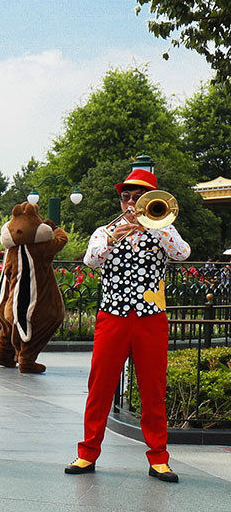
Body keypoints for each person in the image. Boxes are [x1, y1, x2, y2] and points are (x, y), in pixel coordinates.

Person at [66, 168, 191, 482]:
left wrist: (158, 226)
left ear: (151, 200)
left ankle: (159, 458)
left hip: (150, 318)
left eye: (138, 197)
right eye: (126, 197)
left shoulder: (164, 230)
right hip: (113, 317)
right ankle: (86, 454)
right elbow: (90, 261)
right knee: (100, 386)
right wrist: (113, 236)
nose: (131, 203)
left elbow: (182, 253)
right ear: (120, 201)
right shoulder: (104, 231)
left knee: (153, 390)